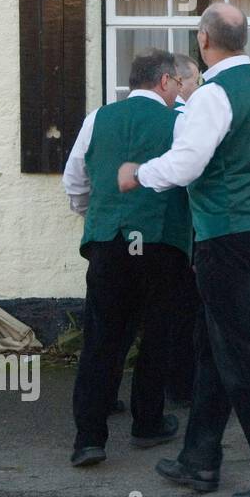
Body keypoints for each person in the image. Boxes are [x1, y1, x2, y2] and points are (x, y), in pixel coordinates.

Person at [118, 2, 250, 497]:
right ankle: (199, 458)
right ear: (242, 38)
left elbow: (186, 164)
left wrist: (138, 172)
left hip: (224, 237)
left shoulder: (211, 95)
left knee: (243, 354)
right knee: (216, 344)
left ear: (203, 40)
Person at [62, 48, 188, 467]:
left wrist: (96, 217)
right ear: (165, 81)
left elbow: (75, 180)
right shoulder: (180, 122)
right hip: (160, 240)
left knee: (101, 338)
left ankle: (88, 438)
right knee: (157, 334)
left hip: (108, 241)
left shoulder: (98, 118)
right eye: (177, 84)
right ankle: (147, 423)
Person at [164, 51, 204, 407]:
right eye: (194, 80)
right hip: (183, 228)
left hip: (132, 231)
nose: (198, 85)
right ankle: (181, 387)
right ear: (178, 82)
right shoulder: (187, 118)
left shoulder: (106, 116)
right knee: (183, 312)